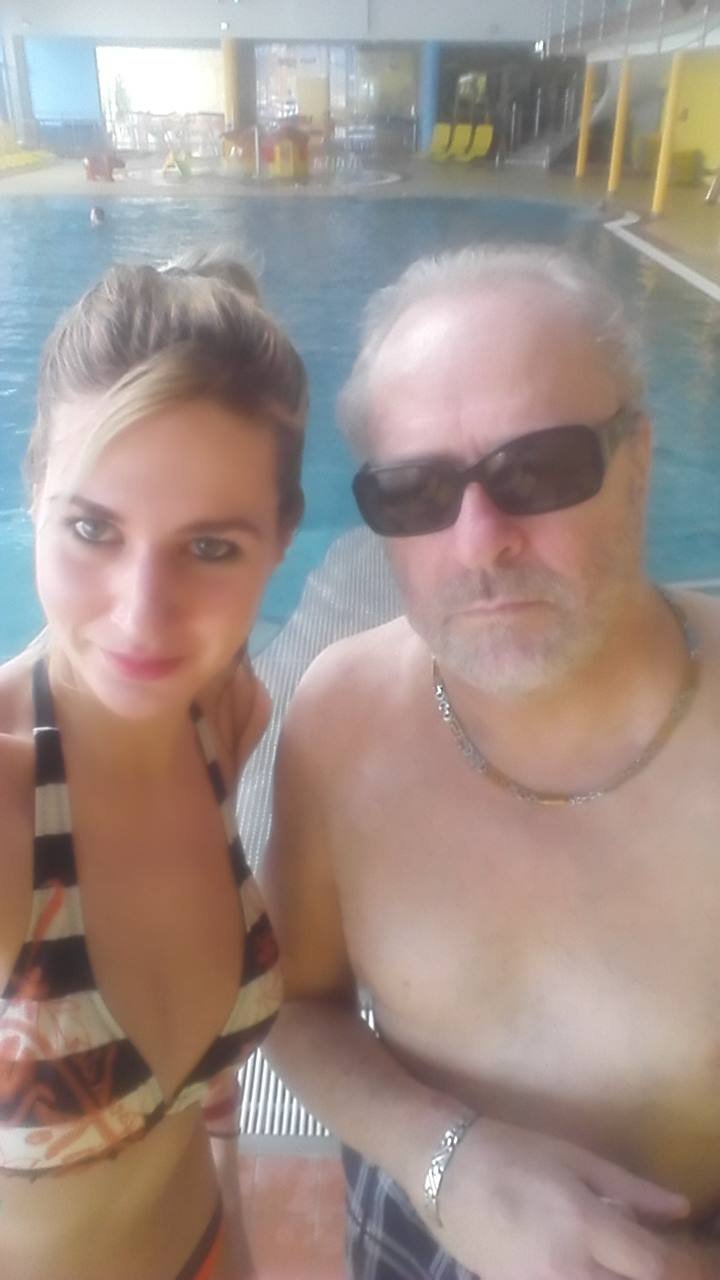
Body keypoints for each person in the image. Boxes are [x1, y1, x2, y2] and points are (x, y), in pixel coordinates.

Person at [264, 245, 720, 1280]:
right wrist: (444, 1159)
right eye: (416, 490)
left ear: (640, 459)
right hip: (422, 1223)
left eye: (539, 469)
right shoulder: (339, 720)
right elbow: (291, 1003)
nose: (481, 540)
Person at [0, 250, 307, 1280]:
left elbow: (200, 1093)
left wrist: (238, 1221)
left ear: (281, 539)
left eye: (211, 547)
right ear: (33, 493)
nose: (142, 614)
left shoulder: (221, 713)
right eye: (92, 528)